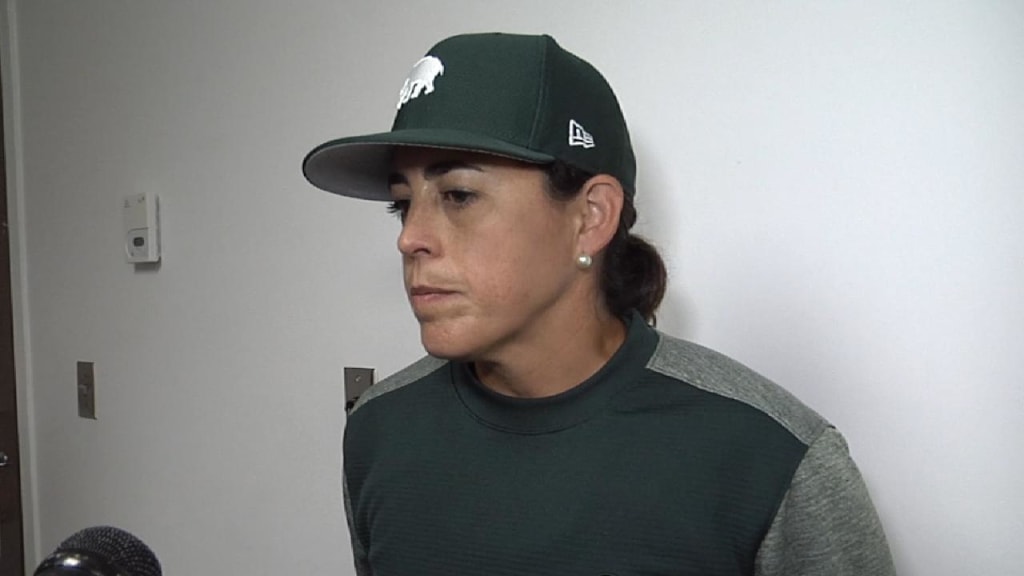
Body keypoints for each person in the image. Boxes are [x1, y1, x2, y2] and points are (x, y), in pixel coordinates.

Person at [303, 32, 895, 576]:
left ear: (590, 217)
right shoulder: (381, 431)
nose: (410, 238)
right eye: (402, 205)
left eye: (458, 195)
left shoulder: (771, 457)